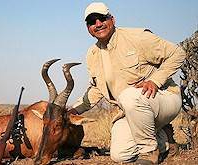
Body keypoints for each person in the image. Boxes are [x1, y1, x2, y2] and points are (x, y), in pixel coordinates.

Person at [69, 2, 186, 164]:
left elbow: (178, 53)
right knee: (120, 155)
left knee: (129, 96)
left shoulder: (137, 37)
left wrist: (155, 81)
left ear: (112, 19)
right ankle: (164, 139)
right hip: (131, 110)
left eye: (102, 18)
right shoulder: (92, 53)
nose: (98, 24)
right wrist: (74, 109)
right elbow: (97, 89)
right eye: (92, 22)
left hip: (163, 98)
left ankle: (148, 153)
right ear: (88, 28)